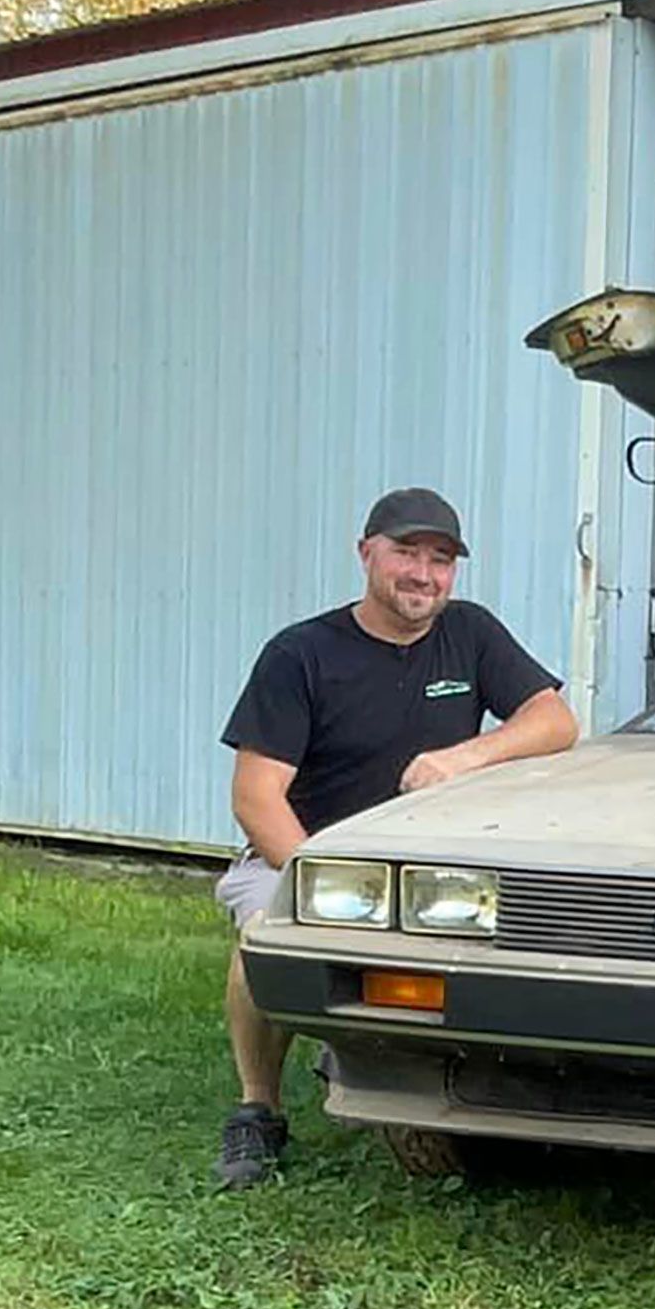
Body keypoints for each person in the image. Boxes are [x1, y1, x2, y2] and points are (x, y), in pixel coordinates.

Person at [210, 487, 579, 1188]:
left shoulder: (470, 634)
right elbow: (254, 797)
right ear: (366, 554)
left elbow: (556, 721)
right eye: (406, 553)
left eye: (441, 560)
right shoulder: (300, 655)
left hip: (438, 872)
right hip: (310, 854)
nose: (423, 574)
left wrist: (463, 757)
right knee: (264, 940)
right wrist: (314, 884)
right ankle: (256, 1109)